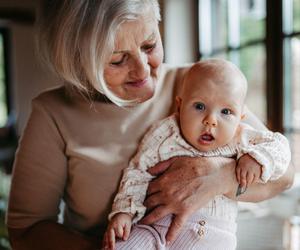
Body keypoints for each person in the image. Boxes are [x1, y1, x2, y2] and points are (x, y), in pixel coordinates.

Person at [6, 1, 294, 250]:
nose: (143, 70)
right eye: (118, 60)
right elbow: (26, 229)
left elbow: (285, 174)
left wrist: (222, 177)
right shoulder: (53, 113)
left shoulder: (198, 85)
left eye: (149, 45)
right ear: (80, 62)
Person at [103, 59, 291, 250]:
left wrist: (257, 158)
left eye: (226, 112)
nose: (211, 121)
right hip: (153, 228)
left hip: (212, 238)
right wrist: (124, 212)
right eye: (199, 106)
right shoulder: (163, 133)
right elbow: (137, 172)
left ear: (240, 118)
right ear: (180, 105)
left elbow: (280, 146)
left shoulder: (241, 137)